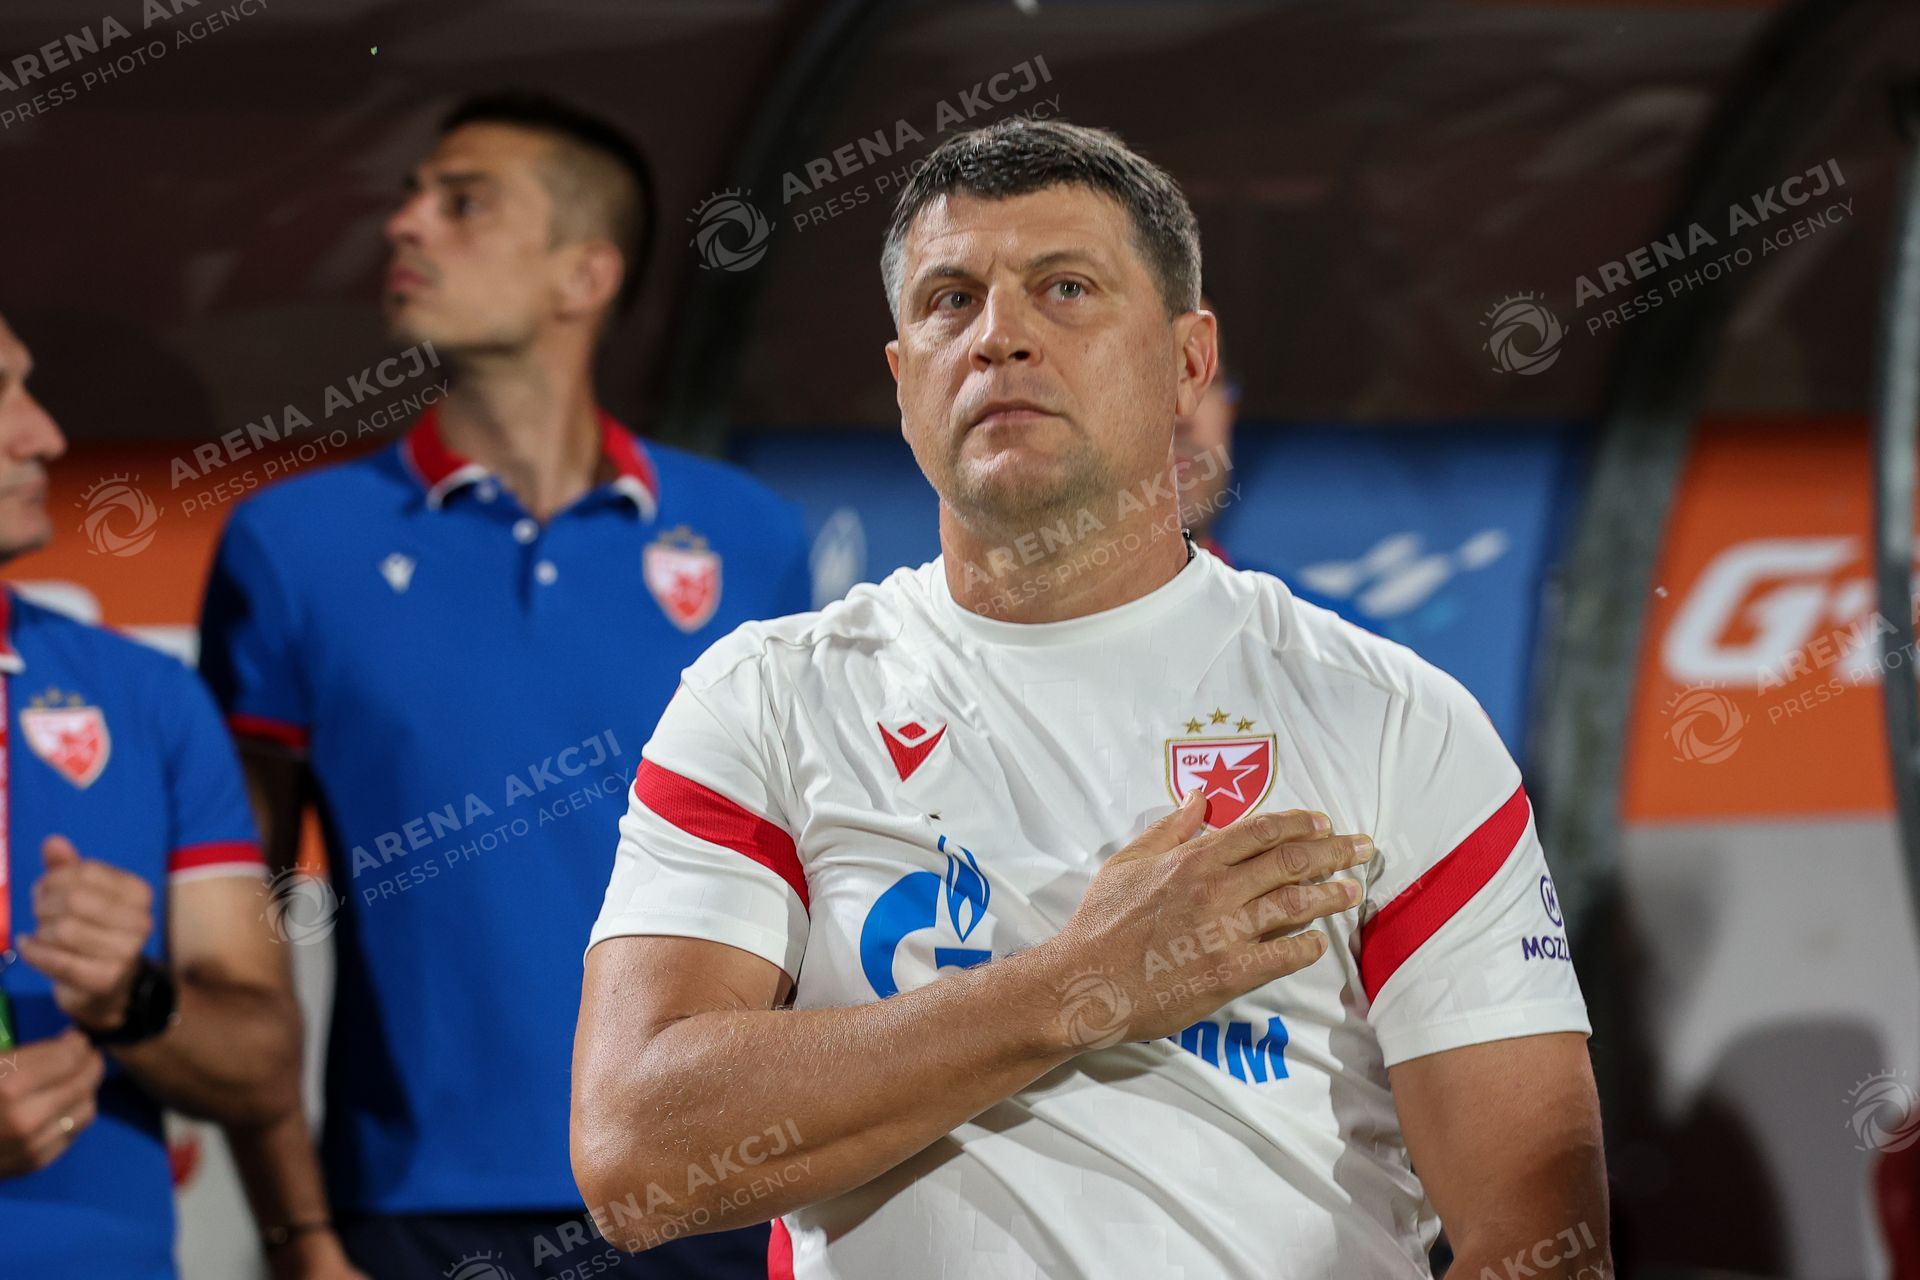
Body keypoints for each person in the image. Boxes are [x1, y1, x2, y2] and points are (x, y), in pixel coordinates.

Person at [573, 118, 1609, 1279]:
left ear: (1189, 361)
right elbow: (633, 1158)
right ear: (904, 379)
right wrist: (1080, 985)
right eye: (951, 300)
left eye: (1065, 288)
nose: (999, 335)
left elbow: (1538, 1239)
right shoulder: (765, 698)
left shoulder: (1394, 717)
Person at [201, 92, 810, 1280]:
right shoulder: (292, 544)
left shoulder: (752, 536)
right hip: (417, 1213)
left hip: (715, 1190)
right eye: (412, 198)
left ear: (585, 273)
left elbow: (817, 879)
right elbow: (238, 934)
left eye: (464, 203)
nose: (407, 224)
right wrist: (297, 1231)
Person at [0, 310, 299, 1278]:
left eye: (28, 387)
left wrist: (132, 997)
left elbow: (263, 1062)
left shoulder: (146, 695)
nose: (44, 434)